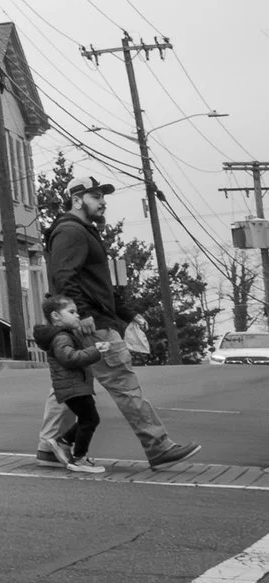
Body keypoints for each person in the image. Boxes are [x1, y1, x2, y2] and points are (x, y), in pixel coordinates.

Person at [41, 175, 199, 470]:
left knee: (68, 385)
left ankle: (49, 447)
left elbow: (97, 284)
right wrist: (85, 314)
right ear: (77, 200)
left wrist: (126, 312)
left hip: (93, 319)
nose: (103, 202)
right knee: (124, 383)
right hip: (93, 324)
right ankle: (158, 445)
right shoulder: (71, 232)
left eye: (103, 197)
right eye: (96, 196)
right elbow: (64, 277)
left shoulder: (82, 232)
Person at [31, 294, 106, 473]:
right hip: (73, 387)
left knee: (89, 419)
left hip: (75, 386)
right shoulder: (61, 337)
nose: (77, 315)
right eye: (71, 312)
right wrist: (95, 351)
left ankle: (63, 443)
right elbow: (68, 358)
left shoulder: (63, 335)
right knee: (90, 419)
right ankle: (78, 458)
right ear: (56, 316)